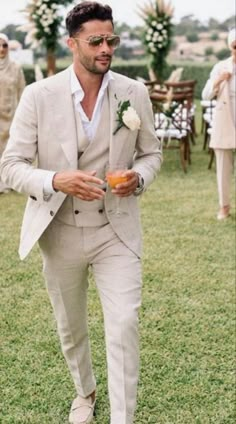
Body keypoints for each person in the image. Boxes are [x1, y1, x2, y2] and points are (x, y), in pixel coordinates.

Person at [0, 2, 162, 423]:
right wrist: (56, 180)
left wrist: (138, 179)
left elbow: (152, 154)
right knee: (71, 328)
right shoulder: (39, 95)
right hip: (60, 230)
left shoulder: (134, 93)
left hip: (117, 229)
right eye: (96, 41)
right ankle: (85, 393)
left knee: (124, 323)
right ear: (72, 43)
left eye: (112, 39)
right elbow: (11, 166)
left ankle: (122, 418)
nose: (106, 48)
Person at [202, 28, 236, 220]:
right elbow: (206, 95)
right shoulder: (220, 67)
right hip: (225, 120)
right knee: (223, 166)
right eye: (235, 46)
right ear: (230, 47)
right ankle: (224, 206)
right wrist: (219, 80)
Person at [0, 33, 25, 193]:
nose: (1, 49)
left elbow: (22, 91)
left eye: (4, 45)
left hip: (11, 115)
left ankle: (7, 182)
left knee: (8, 149)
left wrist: (22, 114)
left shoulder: (16, 67)